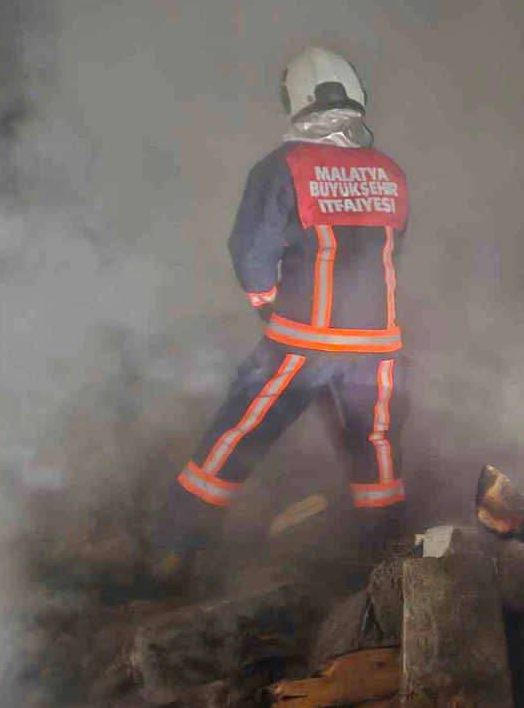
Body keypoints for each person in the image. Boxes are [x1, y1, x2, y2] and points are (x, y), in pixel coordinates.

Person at [149, 46, 411, 588]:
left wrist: (267, 304)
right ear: (357, 96)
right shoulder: (389, 171)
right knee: (377, 450)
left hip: (301, 344)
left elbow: (250, 255)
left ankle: (173, 555)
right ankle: (388, 569)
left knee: (235, 436)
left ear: (294, 101)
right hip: (378, 349)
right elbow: (390, 251)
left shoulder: (281, 168)